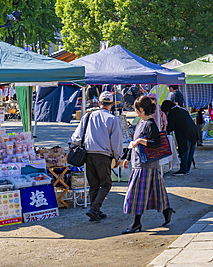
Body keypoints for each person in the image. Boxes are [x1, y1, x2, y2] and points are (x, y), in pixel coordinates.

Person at [121, 95, 173, 233]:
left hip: (146, 166)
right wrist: (127, 158)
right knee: (157, 193)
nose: (135, 111)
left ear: (142, 109)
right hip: (141, 164)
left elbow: (156, 143)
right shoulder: (141, 122)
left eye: (136, 109)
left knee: (137, 195)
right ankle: (167, 210)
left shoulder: (150, 124)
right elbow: (134, 143)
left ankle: (136, 223)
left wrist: (139, 142)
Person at [70, 91, 124, 222]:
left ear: (99, 103)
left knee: (93, 184)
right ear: (111, 104)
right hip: (103, 155)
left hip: (88, 155)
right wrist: (118, 157)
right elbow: (116, 141)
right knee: (105, 184)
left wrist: (71, 147)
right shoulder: (112, 119)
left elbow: (77, 136)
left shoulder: (88, 116)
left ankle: (95, 211)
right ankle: (94, 208)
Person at [160, 99, 199, 175]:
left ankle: (184, 169)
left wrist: (163, 133)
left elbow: (170, 126)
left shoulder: (173, 113)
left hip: (184, 134)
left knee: (184, 151)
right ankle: (187, 169)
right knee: (190, 152)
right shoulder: (181, 109)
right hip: (193, 132)